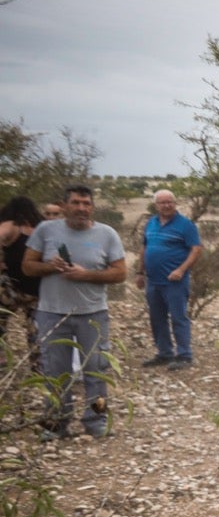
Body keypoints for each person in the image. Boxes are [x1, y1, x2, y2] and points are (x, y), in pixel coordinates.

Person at [23, 185, 127, 440]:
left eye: (86, 203)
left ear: (92, 207)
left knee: (96, 370)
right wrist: (49, 266)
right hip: (52, 313)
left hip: (93, 314)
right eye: (76, 203)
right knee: (55, 372)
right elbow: (27, 267)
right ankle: (56, 422)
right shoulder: (46, 230)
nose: (81, 208)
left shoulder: (107, 234)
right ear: (65, 205)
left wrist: (87, 275)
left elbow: (120, 273)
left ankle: (97, 420)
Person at [135, 190, 203, 369]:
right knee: (157, 318)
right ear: (156, 205)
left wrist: (181, 270)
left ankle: (184, 356)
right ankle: (164, 353)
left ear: (175, 203)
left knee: (178, 317)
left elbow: (196, 249)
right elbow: (145, 247)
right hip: (153, 280)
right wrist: (140, 272)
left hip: (175, 282)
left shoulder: (185, 225)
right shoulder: (151, 223)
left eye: (170, 202)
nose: (166, 205)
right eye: (162, 203)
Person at [0, 196, 43, 366]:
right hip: (36, 288)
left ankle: (1, 357)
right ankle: (38, 364)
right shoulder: (42, 226)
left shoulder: (11, 226)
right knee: (36, 328)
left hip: (11, 286)